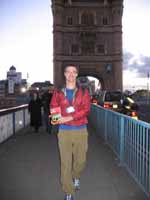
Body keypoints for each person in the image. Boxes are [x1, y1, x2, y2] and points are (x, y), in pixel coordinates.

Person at [50, 65, 91, 200]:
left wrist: (69, 117)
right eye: (68, 72)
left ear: (77, 75)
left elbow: (86, 110)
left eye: (74, 72)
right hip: (64, 132)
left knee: (81, 160)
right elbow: (54, 106)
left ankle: (76, 176)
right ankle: (68, 191)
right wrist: (56, 119)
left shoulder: (84, 92)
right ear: (65, 74)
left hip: (80, 130)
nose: (71, 74)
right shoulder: (58, 92)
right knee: (65, 162)